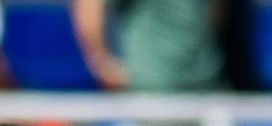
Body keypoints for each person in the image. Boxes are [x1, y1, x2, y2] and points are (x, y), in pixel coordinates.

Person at [73, 0, 224, 91]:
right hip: (150, 90)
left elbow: (218, 14)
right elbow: (90, 6)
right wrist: (103, 64)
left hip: (208, 84)